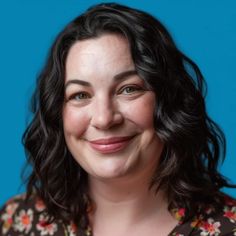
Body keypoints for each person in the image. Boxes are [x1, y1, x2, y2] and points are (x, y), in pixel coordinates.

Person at [0, 2, 235, 236]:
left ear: (170, 100)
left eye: (129, 89)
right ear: (57, 113)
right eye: (80, 95)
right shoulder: (17, 221)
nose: (104, 119)